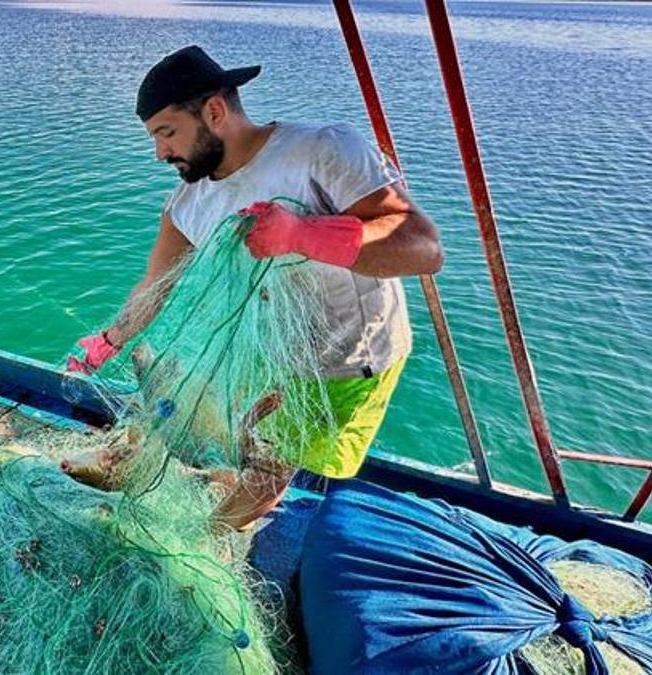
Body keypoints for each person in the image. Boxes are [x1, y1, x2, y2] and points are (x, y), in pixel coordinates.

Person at [67, 45, 444, 518]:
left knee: (270, 466)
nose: (160, 153)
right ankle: (138, 465)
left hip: (344, 360)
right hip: (261, 349)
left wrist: (305, 234)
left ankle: (202, 552)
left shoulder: (322, 151)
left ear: (215, 111)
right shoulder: (188, 202)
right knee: (179, 401)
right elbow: (155, 284)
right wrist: (109, 339)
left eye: (167, 133)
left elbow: (424, 247)